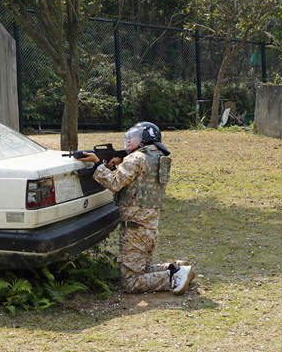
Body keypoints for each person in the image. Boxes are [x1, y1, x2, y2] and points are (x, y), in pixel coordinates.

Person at [77, 122, 194, 295]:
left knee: (131, 282)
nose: (129, 140)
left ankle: (174, 276)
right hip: (149, 226)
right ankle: (174, 268)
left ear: (145, 139)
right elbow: (138, 178)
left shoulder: (136, 158)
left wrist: (97, 164)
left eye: (135, 137)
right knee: (143, 269)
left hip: (135, 227)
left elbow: (114, 183)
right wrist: (121, 161)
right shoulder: (157, 156)